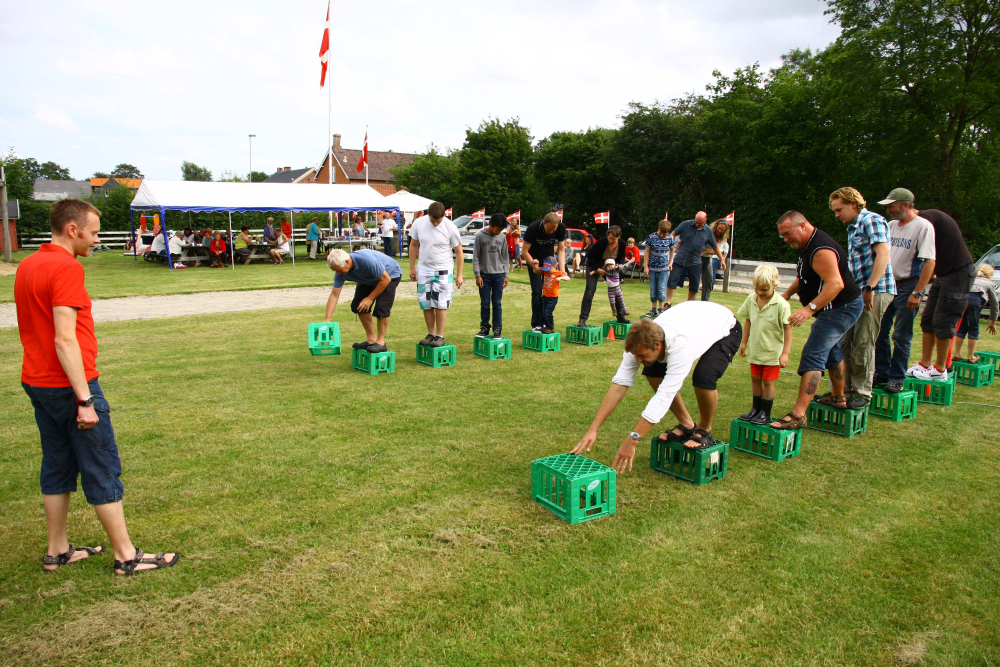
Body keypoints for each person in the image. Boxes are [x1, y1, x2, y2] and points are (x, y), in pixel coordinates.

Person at [14, 199, 178, 576]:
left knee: (56, 463)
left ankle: (58, 550)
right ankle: (126, 555)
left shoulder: (28, 264)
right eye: (94, 232)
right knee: (101, 464)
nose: (97, 239)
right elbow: (64, 340)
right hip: (69, 385)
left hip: (36, 381)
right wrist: (84, 399)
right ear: (73, 230)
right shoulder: (65, 267)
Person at [571, 302, 741, 469]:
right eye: (635, 356)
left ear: (657, 345)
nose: (638, 360)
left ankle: (705, 430)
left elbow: (664, 396)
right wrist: (593, 428)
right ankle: (687, 425)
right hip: (692, 319)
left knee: (704, 377)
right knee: (652, 371)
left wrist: (633, 439)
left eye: (642, 355)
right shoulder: (637, 344)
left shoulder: (680, 348)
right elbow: (619, 385)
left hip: (725, 326)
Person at [770, 211, 863, 429]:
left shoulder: (821, 250)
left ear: (802, 225)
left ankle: (798, 414)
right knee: (831, 350)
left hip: (841, 308)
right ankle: (838, 397)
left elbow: (836, 284)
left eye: (788, 233)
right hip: (836, 307)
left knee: (813, 354)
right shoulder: (806, 245)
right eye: (782, 235)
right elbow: (804, 277)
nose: (785, 239)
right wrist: (785, 296)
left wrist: (809, 309)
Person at [828, 187, 896, 409]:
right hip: (858, 292)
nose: (837, 214)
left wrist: (870, 287)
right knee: (845, 341)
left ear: (854, 204)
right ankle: (843, 391)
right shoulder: (852, 227)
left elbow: (883, 254)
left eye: (839, 209)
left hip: (876, 290)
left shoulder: (871, 220)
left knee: (863, 342)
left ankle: (862, 392)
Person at [873, 188, 937, 393]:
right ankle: (881, 371)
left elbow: (929, 262)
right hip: (889, 282)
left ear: (905, 205)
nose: (889, 209)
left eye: (892, 205)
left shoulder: (923, 227)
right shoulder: (890, 226)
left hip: (910, 283)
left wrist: (918, 293)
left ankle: (897, 377)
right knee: (880, 330)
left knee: (901, 334)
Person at [904, 206, 977, 382]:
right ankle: (925, 365)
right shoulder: (925, 222)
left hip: (959, 273)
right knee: (928, 320)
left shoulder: (929, 217)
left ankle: (940, 369)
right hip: (944, 275)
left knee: (943, 322)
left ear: (910, 208)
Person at [736, 265, 793, 425]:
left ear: (775, 286)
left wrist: (785, 353)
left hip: (772, 352)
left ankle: (765, 413)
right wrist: (744, 342)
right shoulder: (751, 299)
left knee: (768, 381)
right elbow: (748, 321)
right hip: (756, 349)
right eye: (757, 288)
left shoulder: (781, 304)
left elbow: (788, 330)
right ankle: (755, 409)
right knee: (755, 378)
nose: (760, 292)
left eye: (764, 289)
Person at [325, 248, 402, 353]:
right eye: (335, 271)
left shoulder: (366, 260)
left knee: (381, 307)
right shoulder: (340, 271)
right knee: (358, 305)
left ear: (347, 262)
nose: (338, 273)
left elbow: (385, 279)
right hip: (370, 279)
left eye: (339, 269)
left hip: (390, 275)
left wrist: (370, 298)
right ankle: (371, 339)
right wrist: (327, 318)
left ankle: (380, 343)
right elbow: (334, 295)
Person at [408, 201, 463, 347]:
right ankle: (430, 333)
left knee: (441, 303)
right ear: (428, 215)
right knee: (426, 304)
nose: (435, 224)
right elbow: (413, 245)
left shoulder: (450, 226)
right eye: (433, 221)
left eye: (438, 221)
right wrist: (412, 268)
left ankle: (440, 335)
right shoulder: (419, 223)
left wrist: (459, 274)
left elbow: (458, 251)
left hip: (444, 269)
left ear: (443, 216)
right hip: (424, 269)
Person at [521, 213, 567, 331]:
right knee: (537, 291)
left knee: (548, 292)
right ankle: (536, 323)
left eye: (554, 229)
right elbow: (525, 251)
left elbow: (561, 250)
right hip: (534, 260)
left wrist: (562, 269)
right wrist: (534, 267)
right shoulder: (533, 228)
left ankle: (546, 324)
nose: (552, 232)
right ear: (544, 223)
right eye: (549, 229)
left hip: (549, 262)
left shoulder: (561, 228)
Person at [668, 212, 726, 305]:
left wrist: (722, 260)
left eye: (700, 223)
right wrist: (673, 245)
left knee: (699, 283)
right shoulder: (686, 224)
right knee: (673, 280)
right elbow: (673, 234)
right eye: (696, 222)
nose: (697, 224)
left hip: (698, 260)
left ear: (705, 221)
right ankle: (668, 303)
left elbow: (715, 247)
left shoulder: (708, 231)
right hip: (682, 257)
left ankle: (694, 303)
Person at [577, 225, 626, 327]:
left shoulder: (622, 244)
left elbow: (621, 258)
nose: (611, 240)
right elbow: (590, 256)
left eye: (613, 239)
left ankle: (620, 316)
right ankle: (583, 318)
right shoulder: (602, 242)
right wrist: (597, 269)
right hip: (595, 265)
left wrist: (617, 268)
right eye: (609, 238)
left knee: (617, 290)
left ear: (619, 237)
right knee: (590, 290)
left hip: (611, 268)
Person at [473, 213, 509, 339]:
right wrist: (477, 275)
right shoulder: (479, 236)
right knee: (485, 303)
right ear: (491, 225)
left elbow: (505, 257)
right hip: (484, 275)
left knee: (497, 303)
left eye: (501, 230)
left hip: (499, 275)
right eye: (498, 229)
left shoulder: (502, 237)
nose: (499, 232)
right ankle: (484, 328)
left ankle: (497, 329)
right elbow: (476, 257)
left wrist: (506, 275)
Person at [953, 264, 998, 363]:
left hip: (962, 301)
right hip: (975, 302)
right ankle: (971, 356)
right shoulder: (989, 283)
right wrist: (993, 322)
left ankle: (957, 353)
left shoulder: (970, 279)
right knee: (974, 328)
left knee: (961, 327)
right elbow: (994, 304)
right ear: (990, 274)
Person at [643, 219, 675, 317]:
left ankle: (661, 309)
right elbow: (647, 252)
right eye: (661, 233)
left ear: (668, 232)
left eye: (665, 234)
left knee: (661, 288)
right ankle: (653, 309)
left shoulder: (670, 238)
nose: (662, 235)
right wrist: (646, 267)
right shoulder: (652, 237)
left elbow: (672, 250)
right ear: (659, 229)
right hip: (652, 268)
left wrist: (670, 262)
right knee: (653, 289)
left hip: (664, 269)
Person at [700, 220, 730, 302]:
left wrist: (705, 251)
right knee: (695, 280)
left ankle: (705, 302)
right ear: (716, 225)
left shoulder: (723, 238)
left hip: (708, 258)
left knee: (709, 280)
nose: (719, 230)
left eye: (722, 230)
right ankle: (692, 301)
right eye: (719, 228)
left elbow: (717, 251)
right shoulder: (707, 231)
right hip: (697, 257)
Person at [540, 256, 570, 333]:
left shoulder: (557, 273)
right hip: (545, 296)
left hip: (553, 297)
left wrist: (560, 278)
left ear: (554, 266)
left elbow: (568, 278)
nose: (546, 270)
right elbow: (535, 270)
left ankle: (550, 327)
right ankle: (545, 326)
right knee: (543, 312)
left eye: (548, 268)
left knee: (548, 312)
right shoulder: (545, 272)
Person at [604, 258, 631, 324]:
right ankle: (614, 311)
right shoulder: (606, 271)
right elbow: (599, 270)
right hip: (611, 290)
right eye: (608, 265)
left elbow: (622, 266)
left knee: (621, 300)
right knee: (612, 302)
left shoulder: (616, 270)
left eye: (611, 265)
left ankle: (625, 310)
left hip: (617, 288)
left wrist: (617, 266)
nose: (610, 266)